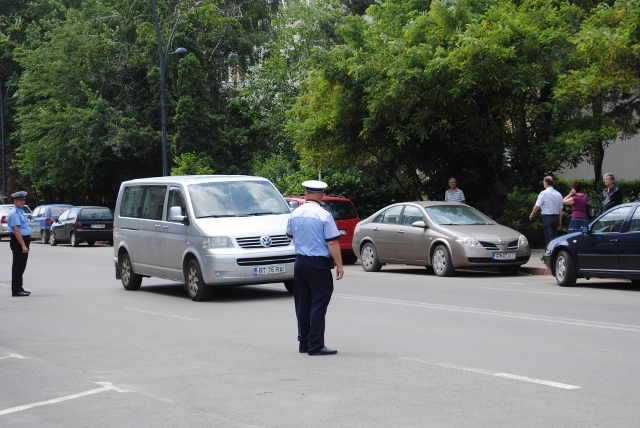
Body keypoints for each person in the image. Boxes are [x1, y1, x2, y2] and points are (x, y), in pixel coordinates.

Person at [286, 180, 344, 356]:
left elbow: (289, 236)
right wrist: (339, 265)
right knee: (319, 303)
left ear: (306, 194)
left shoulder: (295, 213)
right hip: (317, 264)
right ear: (321, 195)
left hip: (300, 262)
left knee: (303, 303)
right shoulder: (323, 215)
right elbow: (332, 242)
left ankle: (304, 342)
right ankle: (316, 344)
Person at [529, 176, 563, 259]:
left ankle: (551, 256)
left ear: (546, 183)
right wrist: (560, 220)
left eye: (543, 182)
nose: (543, 184)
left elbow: (537, 206)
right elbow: (561, 209)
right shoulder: (558, 194)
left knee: (550, 238)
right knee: (552, 237)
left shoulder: (544, 193)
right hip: (555, 218)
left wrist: (532, 214)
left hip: (547, 218)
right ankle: (546, 255)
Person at [7, 191, 32, 297]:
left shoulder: (20, 212)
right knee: (18, 266)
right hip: (19, 241)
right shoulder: (14, 214)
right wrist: (23, 245)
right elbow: (16, 231)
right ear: (15, 201)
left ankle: (19, 288)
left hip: (23, 240)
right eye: (20, 200)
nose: (22, 202)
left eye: (23, 200)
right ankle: (16, 290)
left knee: (21, 266)